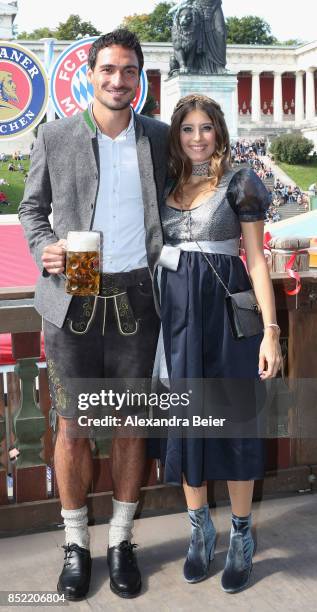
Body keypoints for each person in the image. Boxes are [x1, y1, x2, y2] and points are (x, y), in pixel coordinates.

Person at [19, 29, 168, 601]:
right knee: (73, 427)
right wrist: (44, 249)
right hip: (72, 300)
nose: (118, 80)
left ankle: (122, 541)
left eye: (129, 70)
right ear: (90, 74)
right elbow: (31, 210)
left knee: (131, 427)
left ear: (140, 78)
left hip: (137, 299)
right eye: (108, 69)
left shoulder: (157, 137)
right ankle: (77, 543)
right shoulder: (56, 135)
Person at [152, 94, 281, 593]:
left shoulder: (240, 181)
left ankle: (243, 536)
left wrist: (271, 333)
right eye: (187, 129)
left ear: (219, 131)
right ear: (176, 136)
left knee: (234, 426)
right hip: (179, 321)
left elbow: (256, 260)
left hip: (229, 321)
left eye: (206, 127)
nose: (197, 137)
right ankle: (200, 530)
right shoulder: (168, 182)